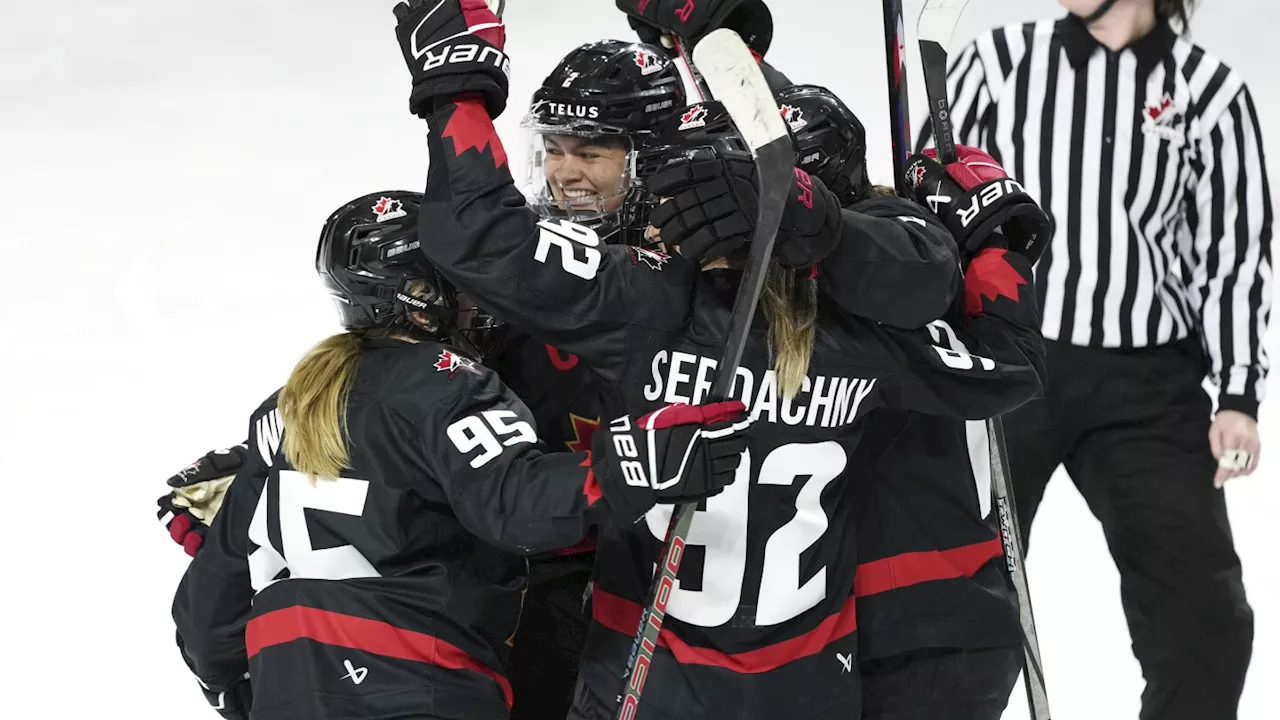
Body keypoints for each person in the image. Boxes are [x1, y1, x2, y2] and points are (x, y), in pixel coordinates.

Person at [390, 2, 1048, 717]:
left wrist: (456, 87)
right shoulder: (871, 334)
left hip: (644, 676)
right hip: (809, 686)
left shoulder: (645, 301)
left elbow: (479, 238)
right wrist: (995, 240)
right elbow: (999, 356)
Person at [170, 190, 749, 720]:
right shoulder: (446, 384)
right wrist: (639, 462)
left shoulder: (287, 405)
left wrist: (241, 690)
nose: (488, 298)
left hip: (288, 684)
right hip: (419, 686)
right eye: (469, 284)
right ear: (425, 300)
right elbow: (516, 502)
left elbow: (207, 610)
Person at [916, 1, 1271, 717]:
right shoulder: (1000, 61)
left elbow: (1233, 252)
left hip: (1148, 383)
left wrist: (1238, 394)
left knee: (1207, 627)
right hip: (1005, 362)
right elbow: (928, 200)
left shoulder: (1210, 92)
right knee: (936, 597)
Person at [778, 84, 1026, 719]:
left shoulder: (909, 255)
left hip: (926, 632)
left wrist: (1001, 245)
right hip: (827, 633)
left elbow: (1010, 362)